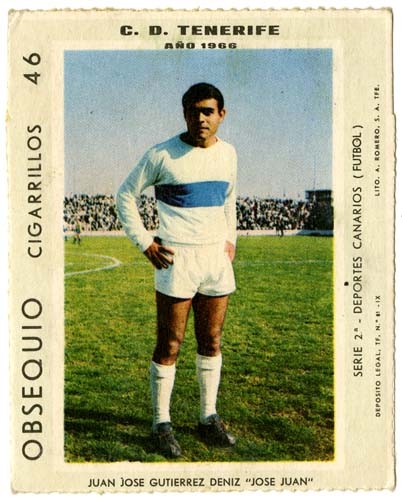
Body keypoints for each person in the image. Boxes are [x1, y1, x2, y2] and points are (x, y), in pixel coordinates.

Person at [117, 83, 237, 458]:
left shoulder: (229, 154)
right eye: (193, 111)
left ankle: (208, 418)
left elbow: (230, 199)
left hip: (215, 261)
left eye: (208, 111)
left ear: (221, 115)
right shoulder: (162, 154)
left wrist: (230, 238)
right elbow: (125, 194)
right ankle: (161, 424)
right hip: (176, 259)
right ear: (184, 114)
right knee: (170, 343)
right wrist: (145, 243)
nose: (201, 118)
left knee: (212, 341)